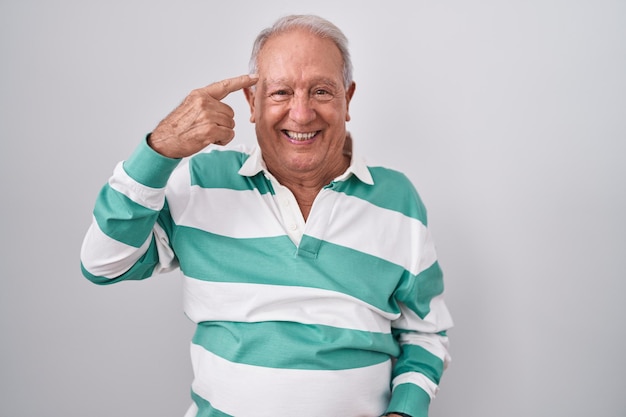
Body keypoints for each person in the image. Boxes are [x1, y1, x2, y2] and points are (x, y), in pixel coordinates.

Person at [80, 14, 453, 417]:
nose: (301, 113)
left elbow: (425, 332)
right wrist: (159, 150)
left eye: (322, 91)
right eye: (280, 93)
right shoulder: (202, 182)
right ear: (251, 103)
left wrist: (404, 412)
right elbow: (103, 264)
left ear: (348, 99)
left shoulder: (397, 199)